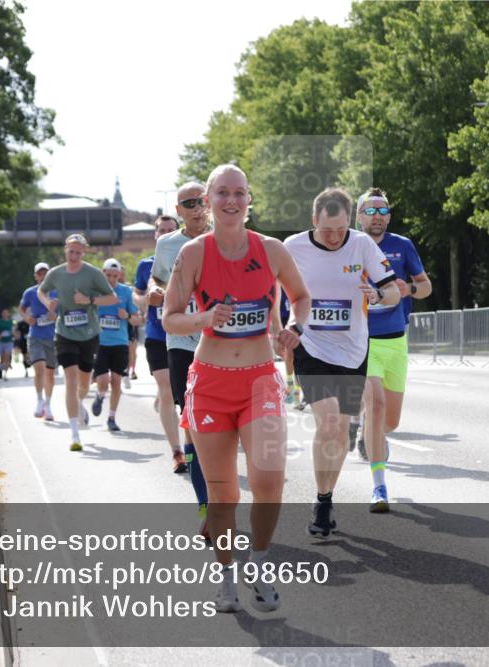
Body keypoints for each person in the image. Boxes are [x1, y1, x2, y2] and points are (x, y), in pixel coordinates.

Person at [163, 163, 309, 613]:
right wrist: (205, 319)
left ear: (249, 201)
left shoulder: (272, 250)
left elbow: (301, 298)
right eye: (222, 193)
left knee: (270, 480)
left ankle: (259, 565)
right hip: (210, 383)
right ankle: (225, 577)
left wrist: (294, 328)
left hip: (262, 378)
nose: (231, 200)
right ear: (207, 203)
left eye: (239, 193)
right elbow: (170, 318)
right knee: (223, 494)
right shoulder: (193, 253)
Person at [285, 187, 400, 525]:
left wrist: (378, 295)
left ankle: (326, 496)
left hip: (352, 351)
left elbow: (394, 291)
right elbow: (268, 290)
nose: (335, 237)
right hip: (312, 346)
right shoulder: (293, 247)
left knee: (338, 432)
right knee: (331, 422)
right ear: (313, 221)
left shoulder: (362, 244)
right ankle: (321, 506)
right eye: (326, 230)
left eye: (340, 229)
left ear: (349, 222)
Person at [353, 188, 432, 472]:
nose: (377, 216)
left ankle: (368, 428)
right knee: (375, 400)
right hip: (362, 340)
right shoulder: (349, 245)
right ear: (359, 216)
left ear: (389, 217)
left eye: (382, 211)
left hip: (396, 338)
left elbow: (425, 286)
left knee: (391, 421)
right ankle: (379, 479)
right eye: (370, 211)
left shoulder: (403, 245)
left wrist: (409, 288)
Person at [152, 182, 212, 525]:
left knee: (217, 426)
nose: (196, 207)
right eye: (188, 203)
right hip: (180, 343)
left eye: (201, 201)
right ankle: (204, 502)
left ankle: (216, 493)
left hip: (219, 341)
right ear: (178, 210)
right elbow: (155, 280)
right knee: (190, 417)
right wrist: (156, 291)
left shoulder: (225, 237)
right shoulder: (167, 244)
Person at [37, 233, 117, 451]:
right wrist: (48, 304)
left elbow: (112, 298)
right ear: (65, 250)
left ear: (84, 252)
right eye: (70, 251)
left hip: (89, 334)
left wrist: (91, 300)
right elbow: (41, 291)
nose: (73, 255)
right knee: (70, 380)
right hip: (64, 333)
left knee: (83, 384)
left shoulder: (92, 274)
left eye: (78, 252)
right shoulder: (56, 273)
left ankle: (79, 404)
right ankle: (74, 434)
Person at [133, 215, 188, 473]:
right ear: (156, 236)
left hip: (188, 336)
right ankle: (177, 452)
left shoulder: (191, 256)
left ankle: (193, 448)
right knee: (166, 389)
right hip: (158, 336)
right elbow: (136, 294)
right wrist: (147, 299)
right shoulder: (146, 266)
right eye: (161, 231)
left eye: (170, 230)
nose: (165, 234)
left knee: (187, 397)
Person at [90, 258, 141, 431]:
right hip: (100, 342)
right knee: (103, 381)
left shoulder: (126, 292)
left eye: (115, 275)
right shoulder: (95, 293)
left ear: (119, 275)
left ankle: (111, 417)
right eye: (108, 275)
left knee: (117, 381)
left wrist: (126, 315)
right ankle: (100, 395)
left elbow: (137, 319)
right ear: (102, 274)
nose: (111, 279)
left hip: (120, 342)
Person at [20, 262, 57, 421]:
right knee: (39, 368)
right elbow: (21, 308)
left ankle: (48, 404)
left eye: (45, 273)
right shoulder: (30, 292)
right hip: (35, 336)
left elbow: (62, 312)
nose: (42, 276)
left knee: (50, 372)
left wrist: (54, 316)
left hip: (52, 337)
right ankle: (39, 399)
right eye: (40, 273)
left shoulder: (56, 292)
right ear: (36, 276)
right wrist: (27, 317)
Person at [0, 309, 15, 379]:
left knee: (6, 356)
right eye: (3, 313)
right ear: (2, 314)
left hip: (9, 342)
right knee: (2, 358)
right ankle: (3, 369)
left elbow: (14, 330)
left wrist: (13, 334)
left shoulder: (11, 321)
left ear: (8, 314)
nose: (5, 314)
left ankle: (5, 373)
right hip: (0, 342)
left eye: (6, 313)